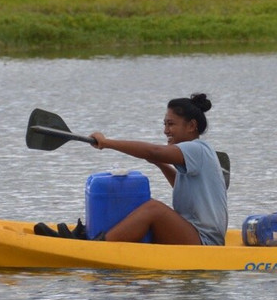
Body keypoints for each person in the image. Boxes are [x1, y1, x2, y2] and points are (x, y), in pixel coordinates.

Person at [87, 93, 229, 245]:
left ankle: (98, 245)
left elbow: (154, 151)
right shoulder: (197, 153)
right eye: (165, 124)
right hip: (191, 233)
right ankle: (93, 233)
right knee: (138, 202)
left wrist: (106, 143)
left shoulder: (197, 149)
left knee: (153, 208)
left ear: (191, 126)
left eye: (171, 124)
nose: (166, 131)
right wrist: (160, 164)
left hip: (205, 240)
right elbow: (184, 187)